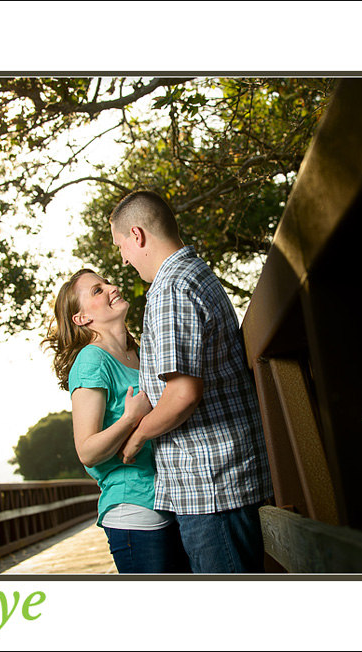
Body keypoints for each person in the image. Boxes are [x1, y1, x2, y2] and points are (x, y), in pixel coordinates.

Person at [109, 190, 274, 573]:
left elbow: (182, 394)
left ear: (137, 235)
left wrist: (138, 434)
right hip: (224, 479)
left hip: (211, 488)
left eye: (121, 247)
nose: (124, 259)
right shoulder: (195, 273)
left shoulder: (169, 290)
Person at [43, 268, 191, 574]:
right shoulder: (92, 360)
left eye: (107, 282)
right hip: (135, 511)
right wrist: (130, 418)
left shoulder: (138, 353)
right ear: (81, 318)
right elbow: (87, 451)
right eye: (97, 290)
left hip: (171, 500)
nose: (111, 288)